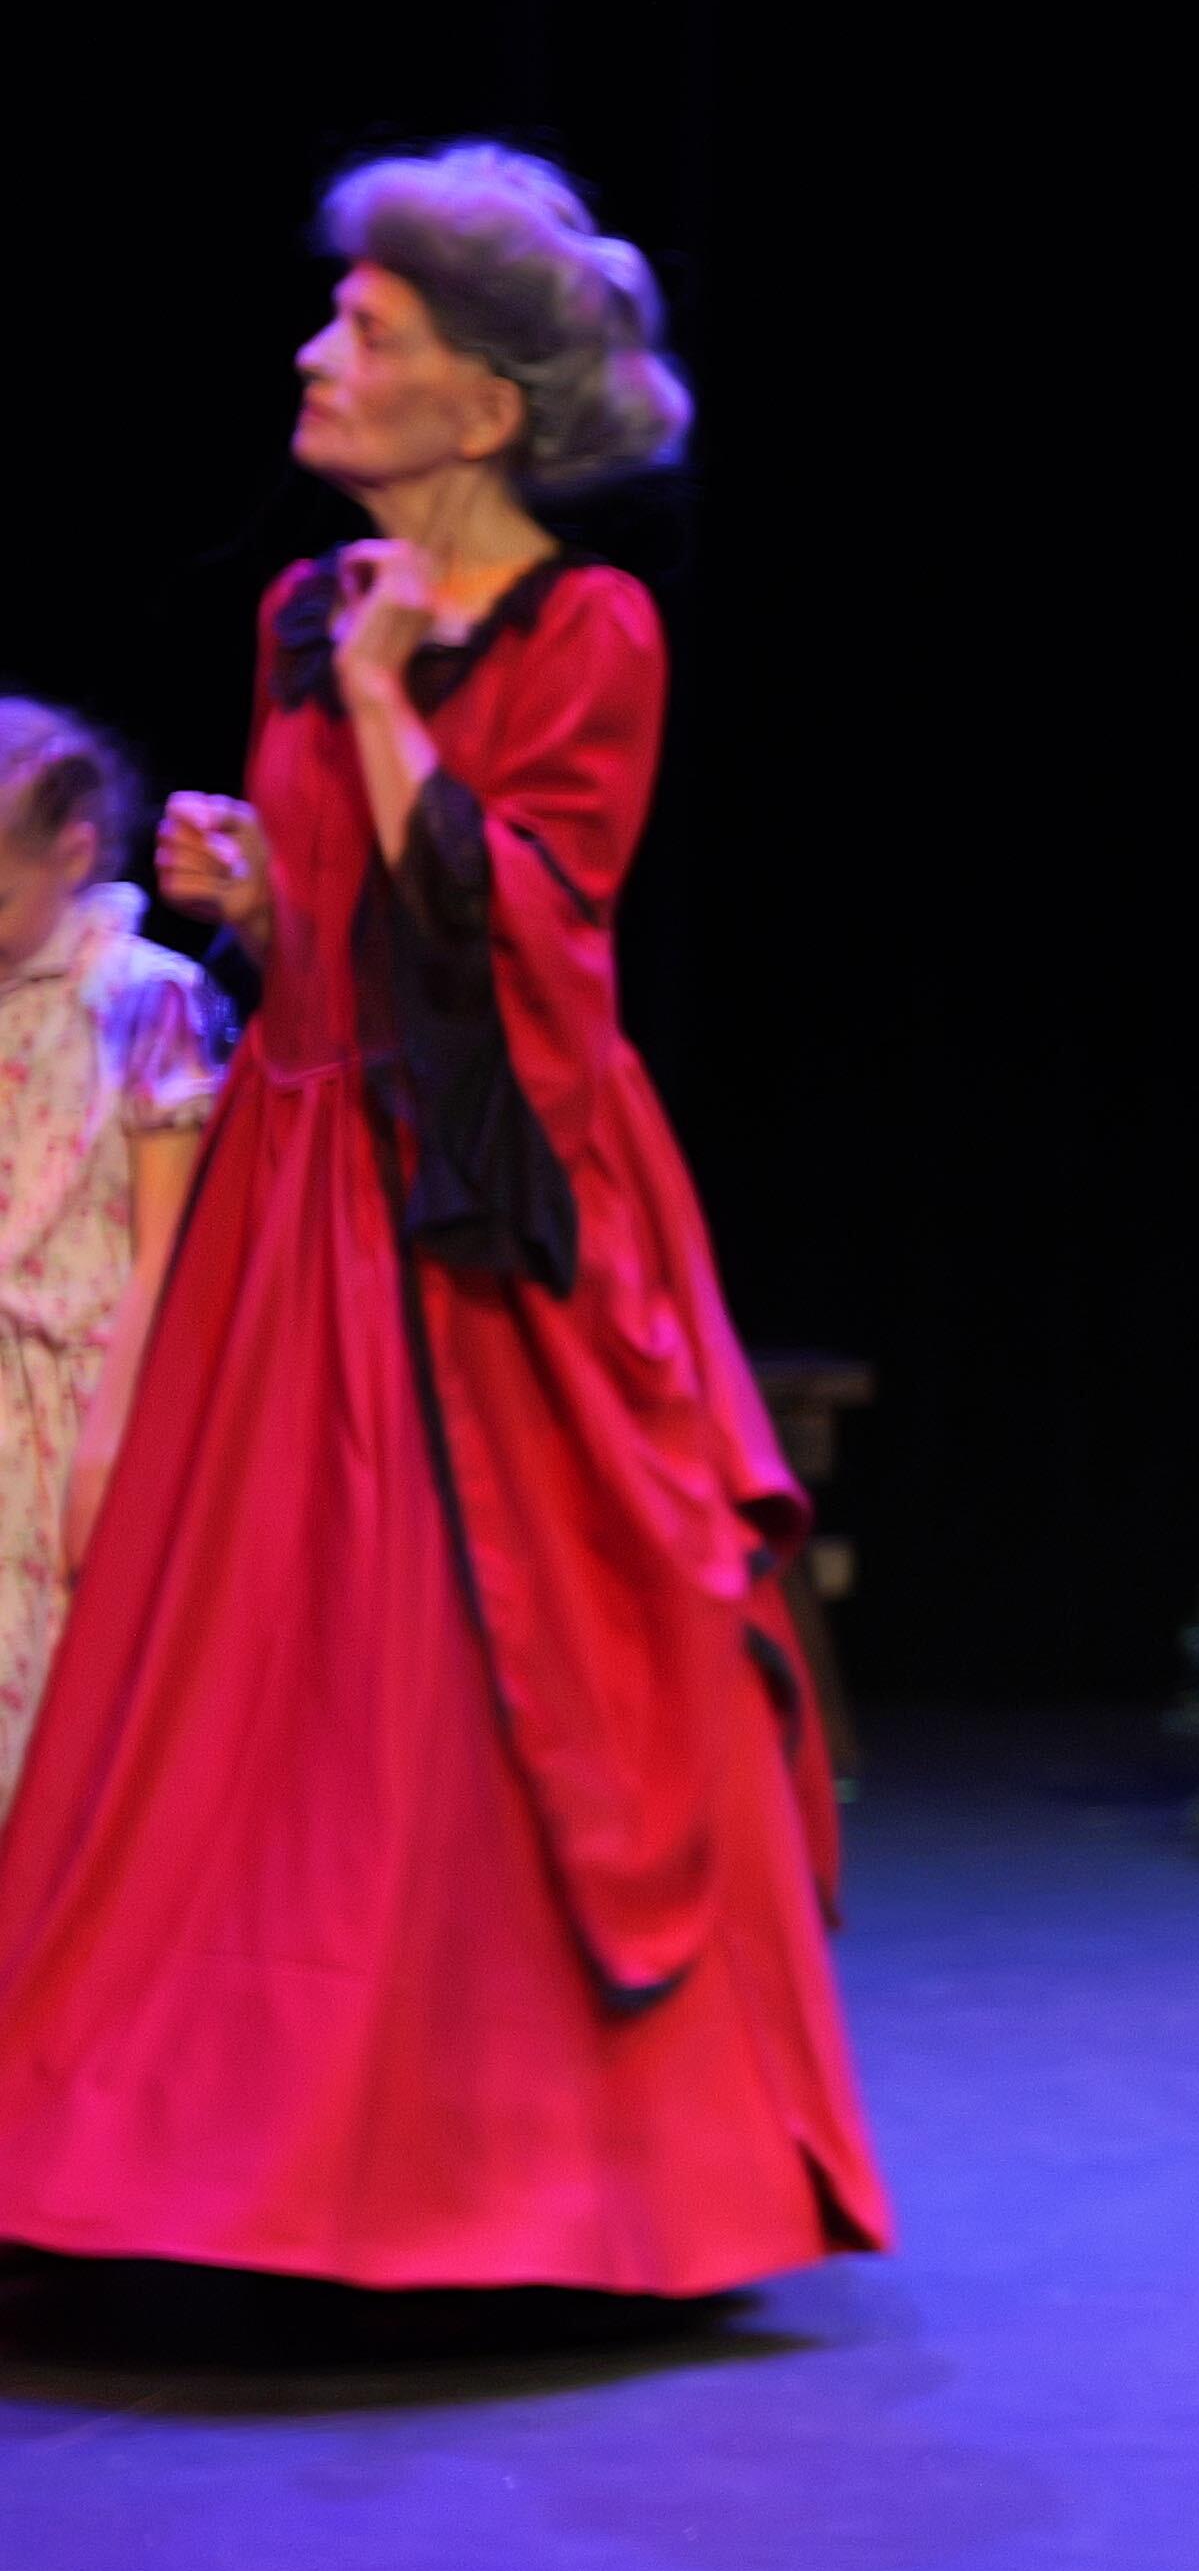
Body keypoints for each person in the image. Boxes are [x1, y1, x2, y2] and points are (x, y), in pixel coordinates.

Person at [0, 149, 886, 2305]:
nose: (320, 352)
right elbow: (345, 943)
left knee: (516, 1652)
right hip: (300, 1196)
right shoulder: (305, 610)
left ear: (483, 408)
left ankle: (529, 2184)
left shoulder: (591, 628)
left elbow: (518, 955)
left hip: (494, 1223)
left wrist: (397, 703)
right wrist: (249, 889)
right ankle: (201, 2163)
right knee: (259, 1674)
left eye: (369, 332)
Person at [0, 700, 228, 1800]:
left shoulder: (147, 1002)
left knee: (62, 1744)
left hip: (82, 1402)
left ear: (73, 853)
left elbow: (161, 1259)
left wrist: (106, 1453)